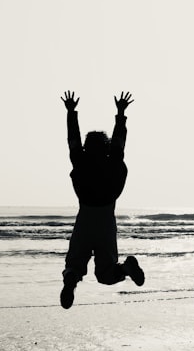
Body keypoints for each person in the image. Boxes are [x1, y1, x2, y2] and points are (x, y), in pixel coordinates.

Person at [60, 90, 144, 309]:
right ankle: (126, 269)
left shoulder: (81, 162)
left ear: (87, 148)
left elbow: (73, 140)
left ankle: (71, 281)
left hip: (85, 219)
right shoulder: (112, 161)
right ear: (105, 147)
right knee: (106, 274)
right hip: (106, 220)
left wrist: (71, 113)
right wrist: (121, 113)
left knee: (75, 264)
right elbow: (119, 141)